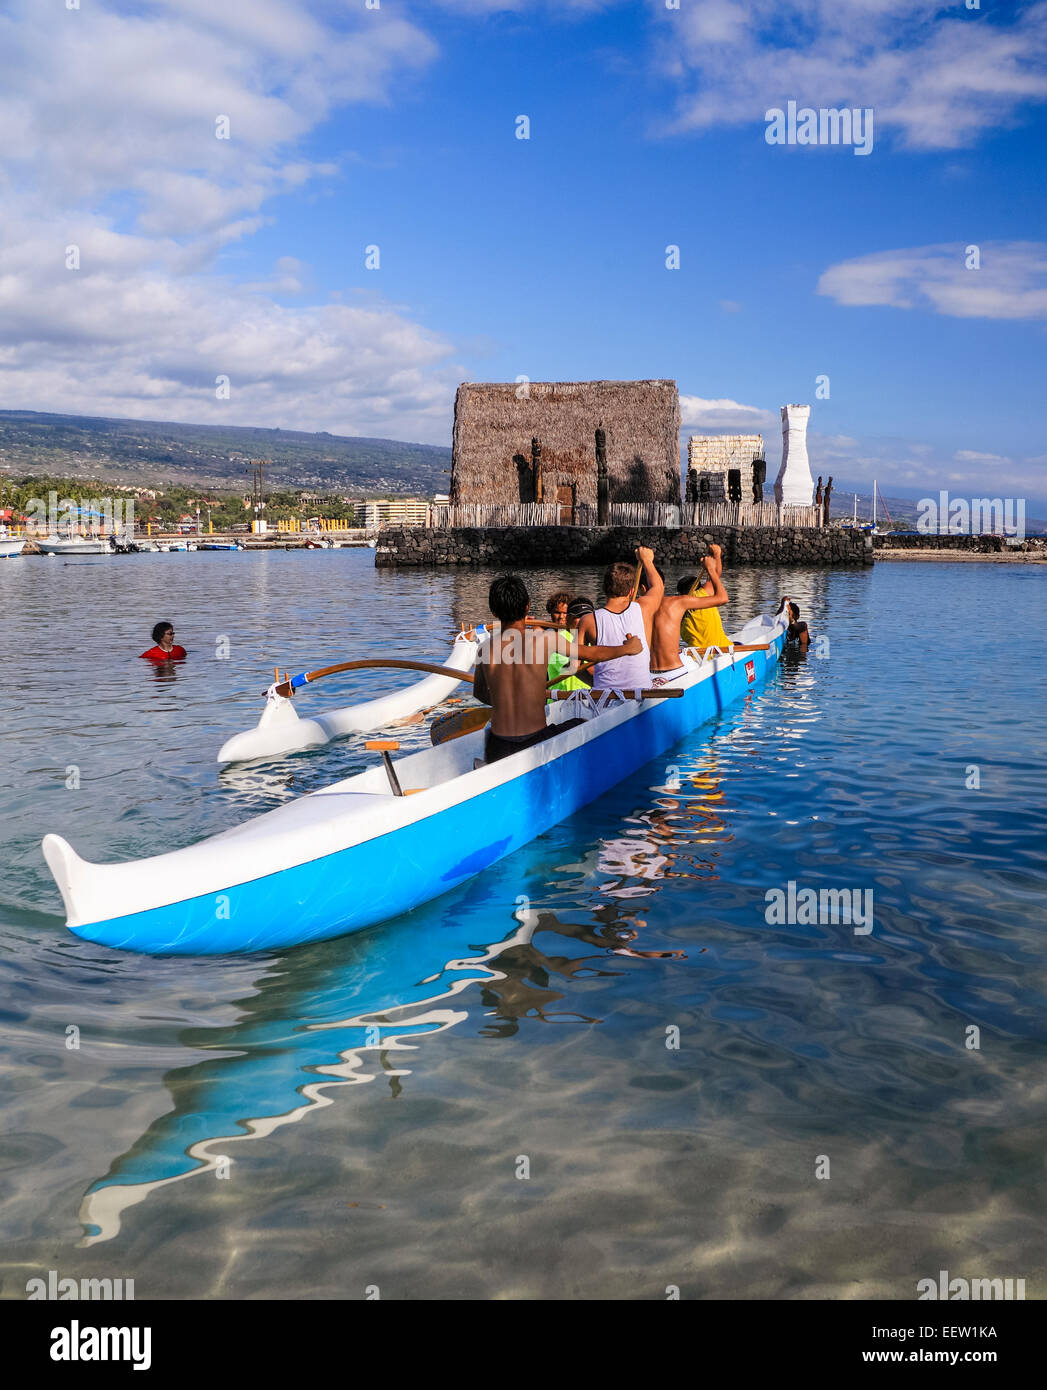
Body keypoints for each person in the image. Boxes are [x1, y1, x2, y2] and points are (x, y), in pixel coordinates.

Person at [473, 575, 642, 763]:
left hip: (498, 744)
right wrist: (627, 649)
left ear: (494, 612)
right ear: (527, 606)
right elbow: (590, 653)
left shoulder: (485, 648)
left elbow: (480, 693)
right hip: (534, 740)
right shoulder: (545, 639)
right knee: (582, 723)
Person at [576, 546, 662, 691]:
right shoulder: (644, 608)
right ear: (632, 591)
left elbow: (573, 667)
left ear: (603, 588)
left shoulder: (587, 620)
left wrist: (597, 684)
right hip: (641, 693)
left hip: (604, 697)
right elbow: (658, 586)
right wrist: (647, 560)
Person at [649, 562, 730, 684]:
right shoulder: (701, 595)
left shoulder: (673, 610)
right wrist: (713, 562)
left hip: (696, 658)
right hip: (718, 652)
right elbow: (716, 578)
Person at [679, 542, 732, 651]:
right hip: (721, 650)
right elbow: (715, 576)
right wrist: (717, 555)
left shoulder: (677, 607)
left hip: (697, 657)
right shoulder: (701, 595)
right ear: (698, 588)